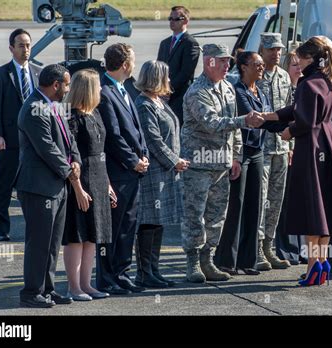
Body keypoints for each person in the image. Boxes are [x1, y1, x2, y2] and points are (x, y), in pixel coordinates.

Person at [261, 36, 332, 286]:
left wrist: (287, 132)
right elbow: (300, 109)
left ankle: (314, 267)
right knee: (324, 208)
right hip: (329, 144)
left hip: (311, 147)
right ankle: (320, 263)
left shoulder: (308, 84)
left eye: (299, 58)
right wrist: (271, 116)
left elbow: (305, 121)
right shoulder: (328, 79)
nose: (296, 63)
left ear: (311, 58)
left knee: (312, 211)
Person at [181, 43, 263, 283]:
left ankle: (209, 260)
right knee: (195, 216)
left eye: (229, 61)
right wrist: (244, 120)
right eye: (223, 61)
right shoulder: (197, 91)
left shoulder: (227, 87)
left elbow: (235, 131)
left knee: (217, 216)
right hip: (199, 164)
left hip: (221, 164)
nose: (229, 65)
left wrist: (237, 156)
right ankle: (193, 263)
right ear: (209, 62)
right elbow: (212, 122)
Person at [15, 64, 80, 307]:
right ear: (55, 85)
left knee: (52, 243)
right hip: (39, 186)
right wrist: (70, 173)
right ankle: (31, 292)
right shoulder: (33, 108)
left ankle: (48, 290)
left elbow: (68, 139)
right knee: (39, 242)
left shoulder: (54, 106)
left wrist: (77, 163)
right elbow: (47, 149)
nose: (68, 88)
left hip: (56, 184)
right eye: (66, 84)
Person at [97, 43, 149, 295]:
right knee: (113, 227)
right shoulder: (105, 92)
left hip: (134, 169)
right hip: (118, 170)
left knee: (128, 225)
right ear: (126, 64)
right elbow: (113, 136)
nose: (135, 65)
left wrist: (144, 155)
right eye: (134, 61)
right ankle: (107, 277)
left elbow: (136, 129)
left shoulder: (124, 88)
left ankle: (122, 272)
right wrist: (132, 160)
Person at [214, 51, 272, 276]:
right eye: (256, 64)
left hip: (257, 152)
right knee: (236, 205)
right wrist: (275, 120)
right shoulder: (238, 91)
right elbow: (255, 119)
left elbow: (265, 118)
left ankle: (248, 260)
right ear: (244, 67)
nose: (261, 66)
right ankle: (227, 260)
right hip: (242, 151)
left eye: (261, 64)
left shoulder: (260, 90)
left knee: (254, 204)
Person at [134, 60, 188, 288]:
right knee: (149, 222)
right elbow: (153, 140)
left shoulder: (158, 101)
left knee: (159, 223)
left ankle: (153, 270)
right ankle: (144, 273)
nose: (169, 80)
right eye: (165, 76)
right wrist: (174, 161)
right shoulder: (145, 104)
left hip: (164, 173)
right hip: (154, 172)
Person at [62, 69, 114, 301]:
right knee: (77, 235)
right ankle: (74, 287)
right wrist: (78, 189)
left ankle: (86, 284)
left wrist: (108, 184)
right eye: (98, 86)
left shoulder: (95, 114)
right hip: (81, 181)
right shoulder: (72, 118)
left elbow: (100, 151)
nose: (101, 89)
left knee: (92, 235)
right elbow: (71, 158)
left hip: (99, 178)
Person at [0, 28, 41, 242]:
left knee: (35, 186)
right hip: (10, 141)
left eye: (28, 45)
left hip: (35, 142)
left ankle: (35, 227)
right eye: (21, 45)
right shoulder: (0, 74)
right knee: (4, 185)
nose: (26, 49)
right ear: (11, 48)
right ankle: (1, 228)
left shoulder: (39, 72)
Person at [254, 33, 292, 271]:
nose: (276, 54)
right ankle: (257, 249)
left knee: (276, 201)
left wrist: (292, 147)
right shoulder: (255, 77)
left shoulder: (285, 76)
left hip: (282, 147)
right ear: (262, 50)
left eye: (278, 50)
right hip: (262, 147)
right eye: (271, 50)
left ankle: (269, 245)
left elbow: (291, 111)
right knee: (261, 200)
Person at [275, 50, 307, 265]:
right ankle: (284, 248)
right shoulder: (284, 90)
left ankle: (300, 248)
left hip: (302, 151)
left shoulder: (306, 89)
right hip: (286, 148)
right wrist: (288, 147)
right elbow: (284, 121)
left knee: (301, 203)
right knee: (284, 201)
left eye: (299, 64)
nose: (298, 68)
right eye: (293, 65)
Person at [157, 5, 200, 124]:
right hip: (161, 95)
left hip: (179, 97)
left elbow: (186, 73)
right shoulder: (164, 43)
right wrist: (159, 90)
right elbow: (158, 69)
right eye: (170, 19)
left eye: (176, 19)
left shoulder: (191, 43)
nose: (172, 22)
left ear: (186, 21)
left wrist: (168, 90)